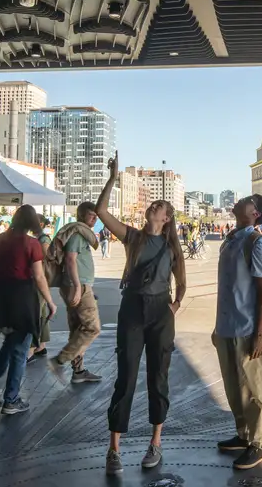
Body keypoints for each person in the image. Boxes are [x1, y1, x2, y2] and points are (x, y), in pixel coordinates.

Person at [98, 152, 186, 476]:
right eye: (155, 204)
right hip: (132, 309)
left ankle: (156, 442)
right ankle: (114, 449)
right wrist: (112, 178)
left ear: (166, 218)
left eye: (160, 205)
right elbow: (101, 212)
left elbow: (183, 284)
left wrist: (173, 308)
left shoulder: (172, 247)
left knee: (157, 378)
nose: (155, 205)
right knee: (126, 377)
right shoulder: (133, 237)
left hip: (160, 312)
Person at [0, 204, 57, 415]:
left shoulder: (1, 239)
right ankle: (10, 398)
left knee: (11, 342)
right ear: (32, 222)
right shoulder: (32, 244)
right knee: (20, 350)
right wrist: (50, 301)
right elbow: (39, 276)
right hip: (22, 298)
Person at [213, 193, 262, 472]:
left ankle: (259, 443)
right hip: (228, 325)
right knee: (234, 386)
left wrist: (259, 335)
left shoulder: (257, 244)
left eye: (249, 201)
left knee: (253, 387)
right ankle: (243, 435)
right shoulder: (231, 239)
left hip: (249, 327)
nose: (241, 201)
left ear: (256, 214)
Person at [54, 201, 102, 385]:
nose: (95, 218)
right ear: (82, 216)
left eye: (96, 215)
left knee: (77, 330)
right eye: (91, 215)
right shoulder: (77, 235)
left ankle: (78, 370)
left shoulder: (79, 233)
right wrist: (77, 286)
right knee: (92, 327)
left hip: (79, 285)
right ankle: (59, 361)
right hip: (78, 285)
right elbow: (71, 260)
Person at [28, 216, 52, 362]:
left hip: (39, 280)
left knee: (34, 313)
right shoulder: (39, 239)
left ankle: (31, 349)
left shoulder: (43, 240)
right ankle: (41, 346)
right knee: (41, 313)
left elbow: (44, 258)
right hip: (39, 280)